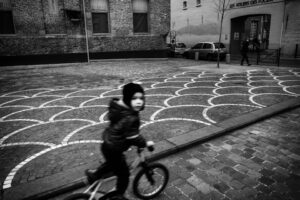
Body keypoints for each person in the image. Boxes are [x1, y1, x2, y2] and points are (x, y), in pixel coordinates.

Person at [85, 82, 154, 200]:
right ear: (127, 99)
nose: (138, 101)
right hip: (115, 147)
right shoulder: (131, 117)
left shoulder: (119, 108)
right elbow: (133, 136)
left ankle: (95, 175)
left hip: (107, 144)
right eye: (134, 98)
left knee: (114, 162)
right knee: (124, 175)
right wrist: (145, 143)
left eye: (141, 98)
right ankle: (118, 196)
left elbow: (127, 130)